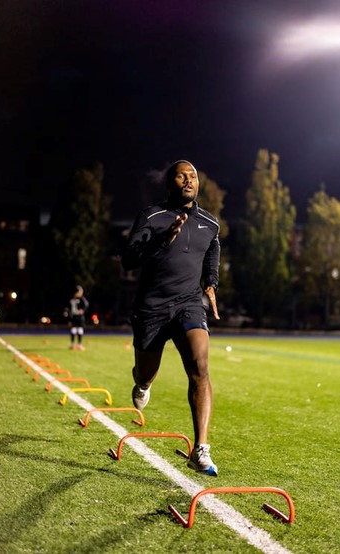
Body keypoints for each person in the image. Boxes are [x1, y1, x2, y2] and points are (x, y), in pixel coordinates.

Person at [122, 160, 221, 476]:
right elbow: (128, 260)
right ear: (170, 183)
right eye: (182, 175)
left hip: (189, 305)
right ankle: (142, 381)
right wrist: (161, 242)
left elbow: (211, 251)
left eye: (193, 175)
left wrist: (210, 283)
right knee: (146, 375)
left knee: (200, 367)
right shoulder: (152, 216)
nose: (189, 180)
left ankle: (201, 448)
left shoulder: (210, 223)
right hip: (151, 307)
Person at [68, 285, 89, 350]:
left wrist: (69, 318)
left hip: (73, 316)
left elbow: (68, 309)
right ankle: (79, 345)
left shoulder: (71, 299)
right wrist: (82, 310)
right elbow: (86, 304)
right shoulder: (81, 299)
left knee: (73, 330)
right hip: (79, 317)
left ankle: (72, 344)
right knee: (79, 330)